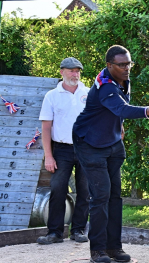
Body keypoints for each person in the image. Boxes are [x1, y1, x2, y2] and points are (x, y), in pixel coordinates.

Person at [72, 45, 149, 263]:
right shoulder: (106, 87)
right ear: (110, 66)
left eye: (129, 63)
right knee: (101, 196)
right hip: (89, 143)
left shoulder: (122, 79)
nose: (127, 68)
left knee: (115, 196)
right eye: (122, 64)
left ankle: (113, 247)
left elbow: (118, 111)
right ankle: (97, 250)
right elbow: (122, 108)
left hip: (112, 142)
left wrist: (119, 128)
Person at [37, 57, 90, 245]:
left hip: (85, 148)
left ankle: (77, 231)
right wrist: (49, 156)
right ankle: (55, 233)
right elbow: (45, 128)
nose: (75, 74)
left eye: (77, 71)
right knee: (57, 188)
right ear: (61, 72)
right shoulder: (51, 96)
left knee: (85, 190)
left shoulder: (89, 93)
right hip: (61, 149)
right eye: (71, 70)